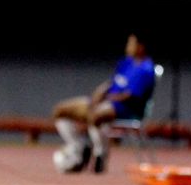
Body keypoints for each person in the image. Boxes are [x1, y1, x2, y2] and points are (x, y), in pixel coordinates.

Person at [52, 32, 156, 174]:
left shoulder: (146, 69)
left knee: (95, 116)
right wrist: (100, 92)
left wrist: (107, 99)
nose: (128, 46)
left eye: (131, 43)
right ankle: (78, 147)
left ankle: (101, 153)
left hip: (126, 108)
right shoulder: (126, 62)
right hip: (107, 101)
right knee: (61, 110)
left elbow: (130, 95)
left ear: (141, 47)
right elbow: (113, 83)